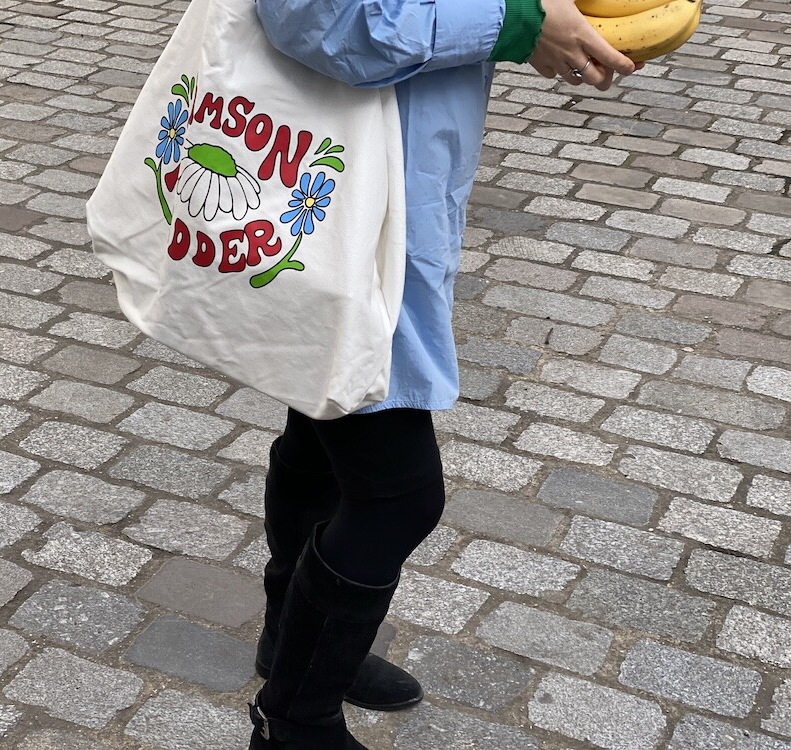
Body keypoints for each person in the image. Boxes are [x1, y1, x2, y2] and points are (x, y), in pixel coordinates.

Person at [246, 1, 638, 748]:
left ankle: (289, 636)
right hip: (344, 200)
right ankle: (294, 722)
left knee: (321, 422)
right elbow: (324, 19)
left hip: (377, 182)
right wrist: (517, 21)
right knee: (398, 498)